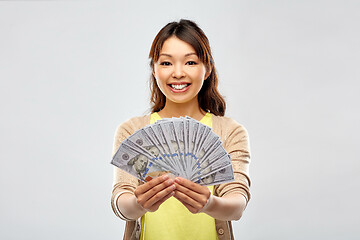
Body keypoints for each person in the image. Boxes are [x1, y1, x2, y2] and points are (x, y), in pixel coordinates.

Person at [111, 19, 251, 240]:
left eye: (190, 62)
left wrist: (209, 203)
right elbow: (121, 201)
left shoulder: (230, 132)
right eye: (166, 63)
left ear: (207, 69)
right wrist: (139, 204)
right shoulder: (132, 130)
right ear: (154, 70)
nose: (177, 73)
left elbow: (237, 205)